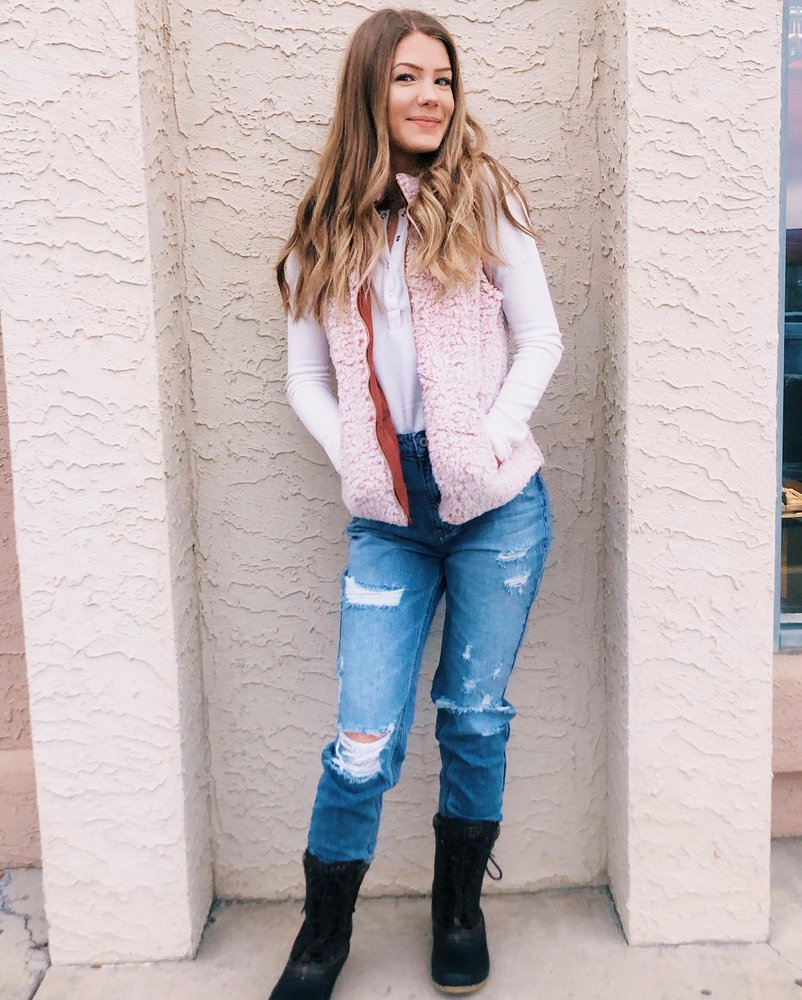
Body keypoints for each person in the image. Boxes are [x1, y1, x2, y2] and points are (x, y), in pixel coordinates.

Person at [271, 8, 563, 998]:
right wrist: (357, 455)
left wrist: (486, 438)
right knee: (362, 738)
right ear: (369, 90)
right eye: (406, 77)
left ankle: (457, 909)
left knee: (473, 717)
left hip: (498, 511)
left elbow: (541, 340)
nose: (430, 96)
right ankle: (323, 932)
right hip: (387, 518)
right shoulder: (324, 226)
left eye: (441, 78)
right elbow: (306, 378)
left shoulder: (485, 198)